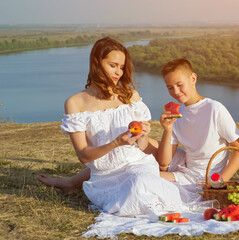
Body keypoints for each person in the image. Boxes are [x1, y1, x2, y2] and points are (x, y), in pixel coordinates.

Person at [38, 37, 183, 216]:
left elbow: (142, 146)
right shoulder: (75, 103)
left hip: (139, 165)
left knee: (142, 181)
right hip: (106, 176)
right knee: (138, 189)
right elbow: (83, 156)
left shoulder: (131, 96)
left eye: (121, 67)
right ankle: (71, 183)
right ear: (96, 63)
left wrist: (143, 135)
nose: (118, 72)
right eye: (113, 65)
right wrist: (116, 142)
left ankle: (70, 183)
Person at [157, 58, 239, 202]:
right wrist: (167, 130)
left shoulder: (214, 109)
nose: (176, 91)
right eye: (170, 87)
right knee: (142, 171)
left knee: (145, 180)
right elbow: (164, 163)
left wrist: (219, 181)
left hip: (205, 179)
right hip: (186, 171)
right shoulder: (177, 116)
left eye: (180, 85)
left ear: (193, 78)